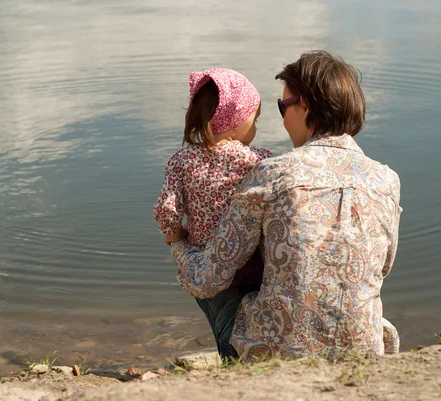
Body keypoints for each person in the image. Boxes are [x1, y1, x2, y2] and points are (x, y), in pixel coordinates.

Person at [170, 51, 402, 362]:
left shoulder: (272, 174)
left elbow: (206, 279)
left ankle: (241, 368)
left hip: (280, 357)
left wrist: (179, 244)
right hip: (361, 351)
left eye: (283, 106)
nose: (282, 118)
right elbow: (382, 268)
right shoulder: (386, 181)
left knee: (212, 271)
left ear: (304, 104)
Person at [154, 68, 272, 289]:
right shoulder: (258, 160)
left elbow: (166, 209)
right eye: (254, 120)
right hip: (247, 263)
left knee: (218, 315)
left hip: (201, 259)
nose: (255, 127)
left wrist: (175, 235)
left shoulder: (180, 160)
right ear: (236, 120)